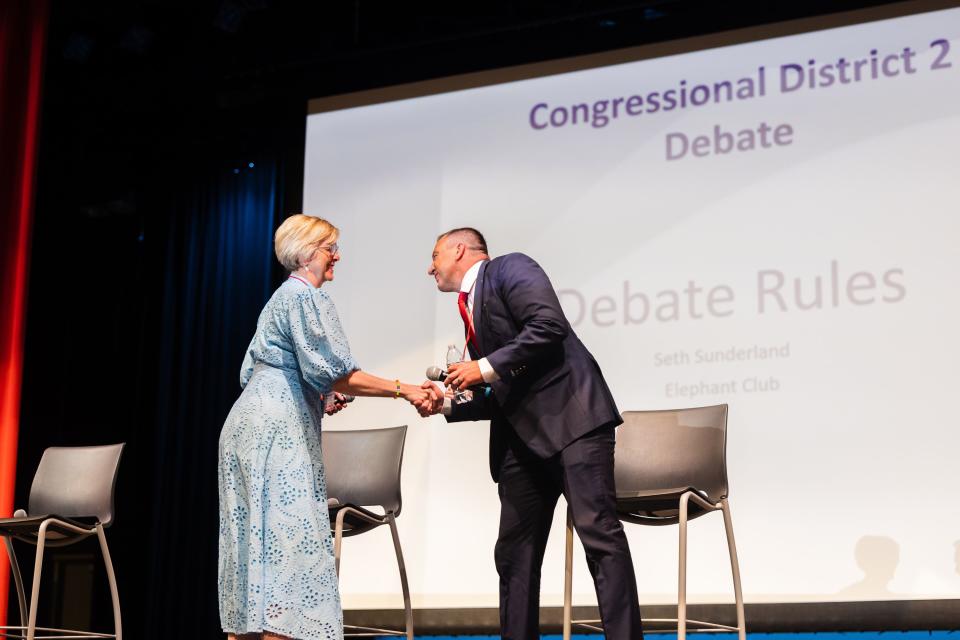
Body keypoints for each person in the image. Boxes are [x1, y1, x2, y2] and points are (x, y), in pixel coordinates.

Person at [218, 214, 441, 640]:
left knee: (253, 549)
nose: (337, 255)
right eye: (329, 248)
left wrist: (318, 395)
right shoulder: (306, 297)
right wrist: (406, 389)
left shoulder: (279, 298)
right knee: (285, 551)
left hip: (246, 425)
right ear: (305, 255)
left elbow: (258, 371)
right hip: (276, 432)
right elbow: (336, 372)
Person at [426, 227, 643, 640]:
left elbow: (548, 326)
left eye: (434, 255)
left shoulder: (511, 267)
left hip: (574, 424)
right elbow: (503, 389)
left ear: (459, 250)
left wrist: (482, 367)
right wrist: (448, 403)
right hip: (521, 444)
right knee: (513, 554)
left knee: (598, 538)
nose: (429, 267)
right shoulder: (469, 307)